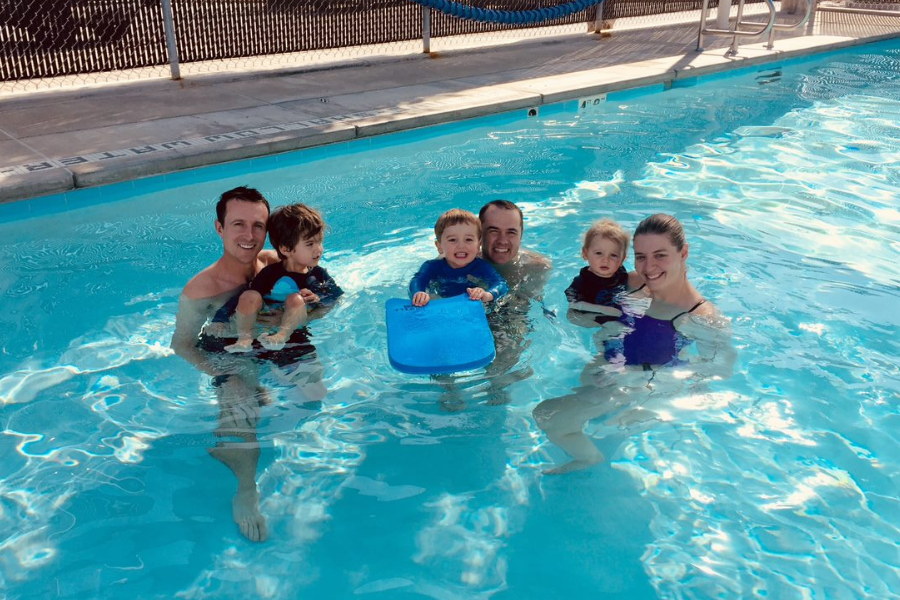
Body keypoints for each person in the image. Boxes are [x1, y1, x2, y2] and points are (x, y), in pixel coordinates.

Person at [533, 213, 736, 474]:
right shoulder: (633, 282)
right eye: (641, 256)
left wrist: (651, 401)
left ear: (683, 252)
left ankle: (590, 458)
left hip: (636, 386)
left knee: (547, 415)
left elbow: (718, 373)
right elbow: (587, 303)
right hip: (608, 368)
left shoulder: (701, 316)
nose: (648, 267)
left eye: (660, 255)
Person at [171, 185, 279, 542]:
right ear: (219, 228)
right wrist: (224, 373)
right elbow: (182, 344)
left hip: (264, 346)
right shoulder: (201, 289)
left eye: (258, 226)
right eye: (238, 225)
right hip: (225, 355)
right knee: (241, 403)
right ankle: (246, 487)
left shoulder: (271, 264)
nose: (249, 236)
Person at [225, 203, 342, 353]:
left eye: (319, 241)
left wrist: (317, 298)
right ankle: (244, 339)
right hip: (264, 324)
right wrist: (219, 320)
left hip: (293, 330)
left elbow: (335, 300)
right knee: (249, 294)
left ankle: (281, 335)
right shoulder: (270, 273)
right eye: (310, 243)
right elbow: (240, 299)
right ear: (286, 249)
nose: (318, 249)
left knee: (296, 299)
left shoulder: (319, 275)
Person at [410, 208, 508, 307]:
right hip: (442, 303)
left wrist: (487, 294)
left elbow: (501, 284)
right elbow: (418, 280)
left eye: (468, 239)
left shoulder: (481, 267)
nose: (461, 246)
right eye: (452, 240)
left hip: (473, 306)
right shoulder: (432, 267)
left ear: (478, 246)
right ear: (439, 246)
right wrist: (419, 293)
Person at [565, 218, 636, 325]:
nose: (605, 260)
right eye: (599, 253)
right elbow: (573, 304)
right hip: (589, 313)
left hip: (613, 310)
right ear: (585, 253)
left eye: (613, 255)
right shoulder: (582, 281)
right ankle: (601, 334)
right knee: (572, 317)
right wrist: (603, 310)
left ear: (622, 259)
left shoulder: (621, 274)